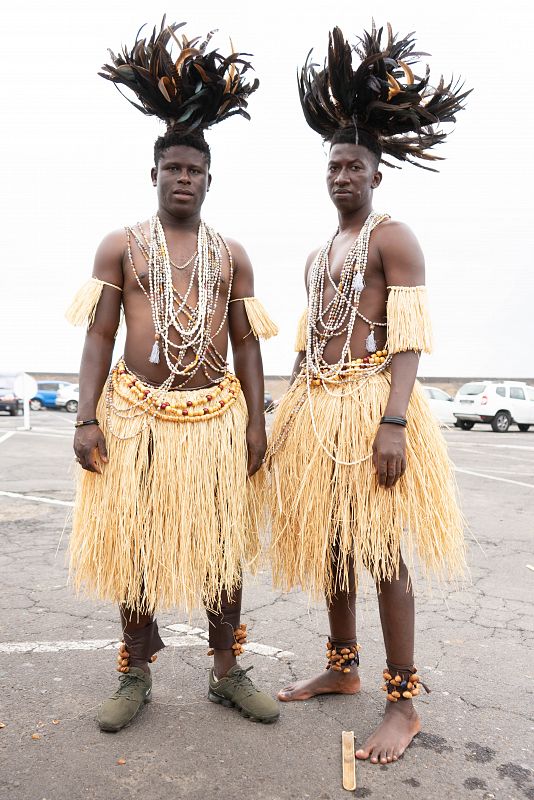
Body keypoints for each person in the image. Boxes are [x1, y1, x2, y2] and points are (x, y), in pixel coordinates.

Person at [66, 19, 279, 731]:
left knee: (222, 545)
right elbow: (100, 332)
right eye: (171, 170)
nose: (182, 179)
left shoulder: (232, 254)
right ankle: (134, 673)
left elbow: (247, 345)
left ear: (209, 178)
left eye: (193, 171)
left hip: (214, 417)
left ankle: (227, 669)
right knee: (137, 542)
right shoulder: (121, 246)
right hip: (136, 414)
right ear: (154, 175)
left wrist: (257, 418)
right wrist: (85, 415)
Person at [267, 24, 470, 763]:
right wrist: (288, 414)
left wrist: (392, 422)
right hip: (318, 411)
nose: (342, 176)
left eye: (354, 166)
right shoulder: (321, 253)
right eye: (334, 167)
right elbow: (307, 339)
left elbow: (409, 338)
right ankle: (343, 668)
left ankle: (403, 701)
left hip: (371, 410)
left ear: (376, 174)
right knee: (330, 549)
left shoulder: (395, 237)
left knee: (383, 554)